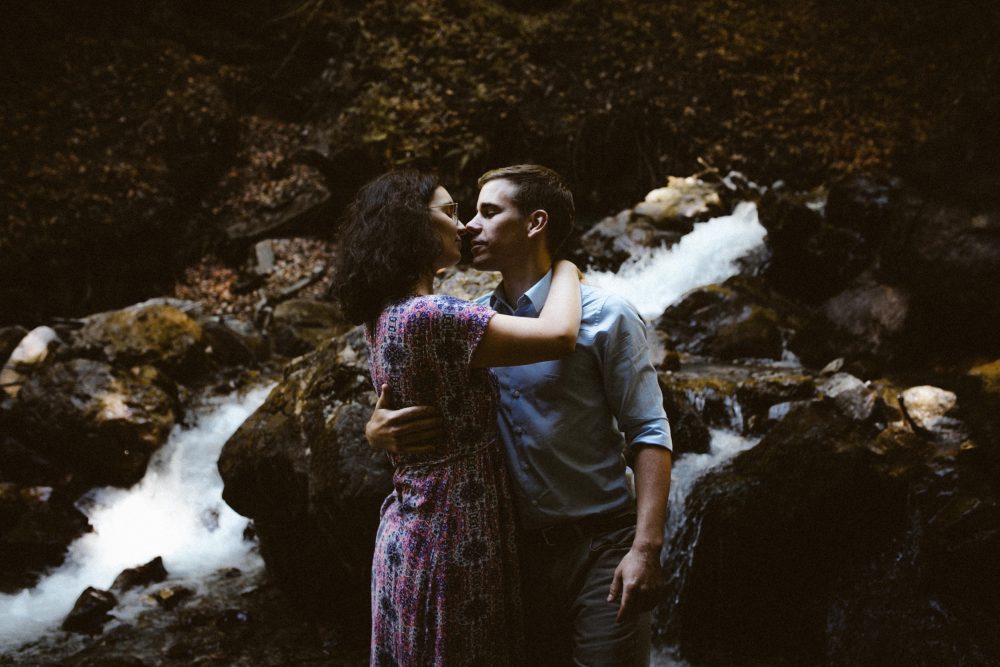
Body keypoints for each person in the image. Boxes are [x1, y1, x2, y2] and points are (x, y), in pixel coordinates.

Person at [366, 164, 673, 666]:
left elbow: (649, 429)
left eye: (488, 213)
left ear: (535, 223)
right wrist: (375, 431)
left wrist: (646, 547)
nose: (468, 226)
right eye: (466, 213)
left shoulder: (607, 315)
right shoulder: (469, 323)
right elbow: (417, 396)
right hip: (509, 557)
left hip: (601, 546)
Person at [330, 170, 583, 666]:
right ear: (411, 226)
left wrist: (373, 430)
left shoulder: (383, 313)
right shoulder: (433, 316)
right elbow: (559, 335)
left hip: (411, 526)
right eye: (449, 213)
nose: (464, 226)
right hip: (454, 531)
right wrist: (568, 267)